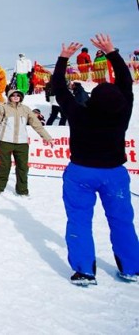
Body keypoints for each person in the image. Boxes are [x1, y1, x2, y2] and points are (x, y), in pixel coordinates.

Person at [53, 34, 139, 286]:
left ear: (92, 99)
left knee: (79, 219)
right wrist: (111, 51)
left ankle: (84, 271)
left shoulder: (79, 113)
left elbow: (58, 88)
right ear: (121, 101)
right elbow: (126, 82)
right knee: (122, 220)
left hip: (80, 174)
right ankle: (132, 267)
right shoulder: (122, 112)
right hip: (114, 174)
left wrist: (63, 59)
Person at [0, 88, 52, 195]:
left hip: (22, 143)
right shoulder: (2, 108)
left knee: (23, 167)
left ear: (21, 97)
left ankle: (22, 190)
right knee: (5, 166)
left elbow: (37, 124)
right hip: (6, 141)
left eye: (17, 95)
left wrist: (47, 137)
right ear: (9, 97)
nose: (15, 97)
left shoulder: (26, 109)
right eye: (13, 95)